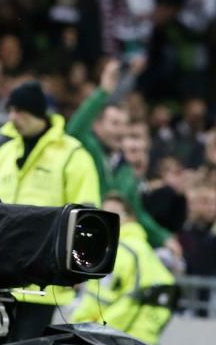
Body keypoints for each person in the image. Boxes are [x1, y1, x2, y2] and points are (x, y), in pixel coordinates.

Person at [0, 80, 100, 340]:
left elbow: (87, 215)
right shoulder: (4, 153)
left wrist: (77, 267)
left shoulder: (72, 154)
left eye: (21, 112)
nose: (14, 117)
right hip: (0, 278)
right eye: (12, 110)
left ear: (39, 114)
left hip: (46, 284)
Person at [67, 60, 176, 251]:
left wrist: (164, 238)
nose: (120, 130)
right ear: (97, 126)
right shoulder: (88, 149)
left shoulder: (127, 169)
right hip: (81, 235)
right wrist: (103, 91)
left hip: (115, 242)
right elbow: (74, 130)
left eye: (123, 124)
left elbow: (136, 212)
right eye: (114, 123)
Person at [70, 194, 175, 345]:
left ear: (130, 218)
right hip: (143, 343)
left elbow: (102, 301)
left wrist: (83, 327)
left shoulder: (120, 252)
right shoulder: (143, 250)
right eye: (102, 213)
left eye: (113, 213)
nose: (105, 219)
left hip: (115, 342)